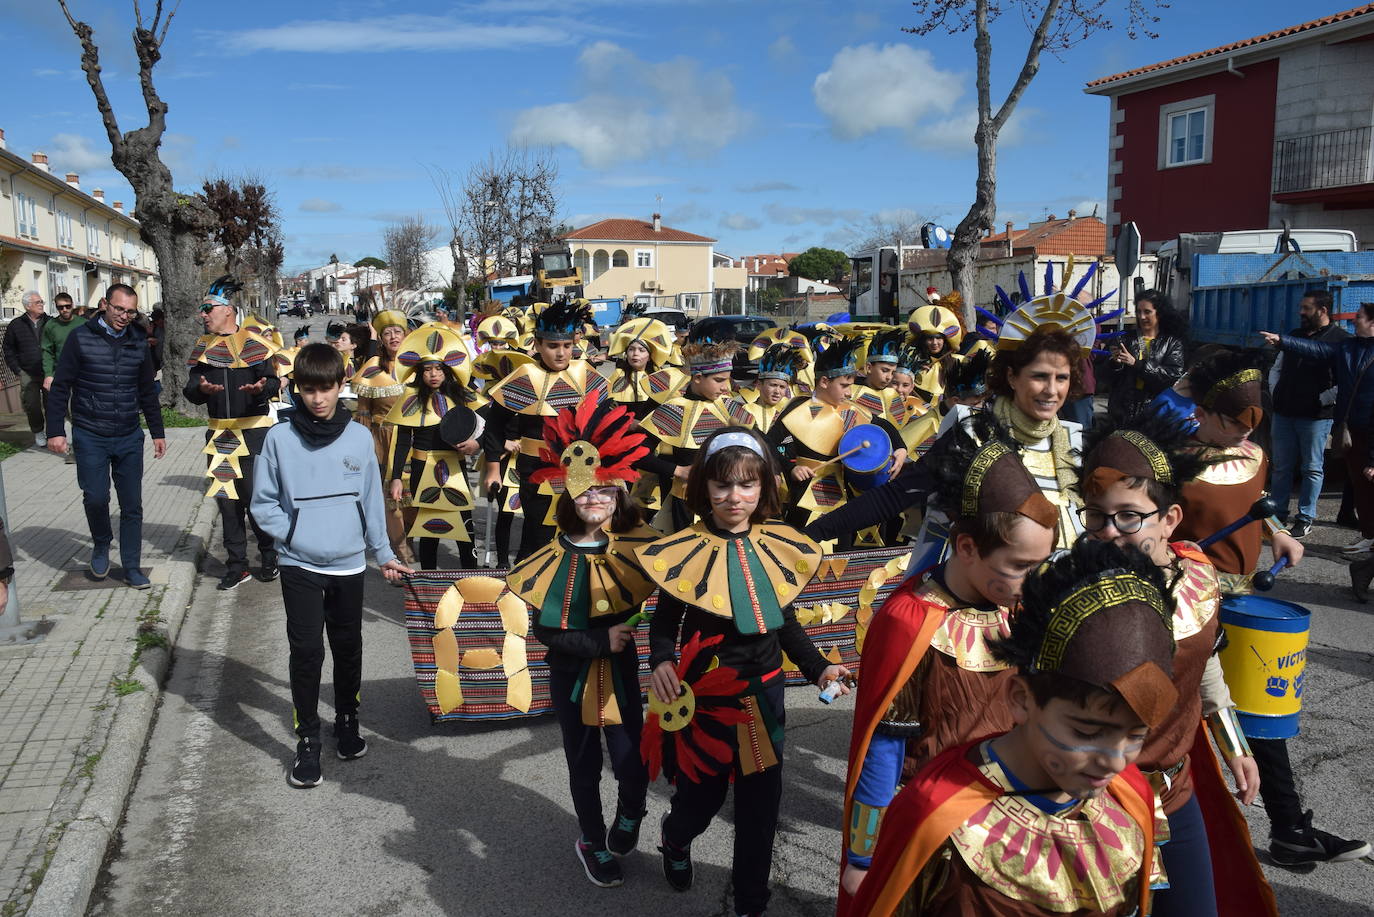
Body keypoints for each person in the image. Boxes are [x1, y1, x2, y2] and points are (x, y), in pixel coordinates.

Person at [850, 537, 1176, 917]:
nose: (1115, 762)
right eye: (1088, 732)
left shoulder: (1132, 799)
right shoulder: (936, 814)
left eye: (1136, 736)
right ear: (1022, 700)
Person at [838, 414, 1058, 912]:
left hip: (1012, 816)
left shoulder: (1017, 606)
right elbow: (884, 745)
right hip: (935, 823)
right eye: (1021, 567)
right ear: (966, 547)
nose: (1032, 579)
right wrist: (863, 853)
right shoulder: (911, 620)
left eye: (1039, 564)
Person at [638, 426, 851, 917]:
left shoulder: (778, 543)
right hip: (705, 699)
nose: (735, 497)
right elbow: (666, 621)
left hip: (762, 697)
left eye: (746, 485)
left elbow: (786, 623)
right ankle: (675, 836)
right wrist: (663, 660)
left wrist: (819, 669)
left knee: (759, 807)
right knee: (702, 799)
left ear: (763, 488)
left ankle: (751, 903)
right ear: (705, 489)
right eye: (722, 485)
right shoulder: (683, 548)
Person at [1173, 348, 1369, 867]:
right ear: (1203, 413)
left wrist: (1280, 534)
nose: (1244, 432)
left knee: (1257, 716)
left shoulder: (1255, 455)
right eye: (1233, 422)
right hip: (1186, 606)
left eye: (1252, 422)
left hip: (1241, 603)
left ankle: (1287, 829)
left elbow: (1258, 511)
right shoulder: (1172, 463)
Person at [1079, 409, 1276, 916]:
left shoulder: (1197, 577)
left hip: (1176, 791)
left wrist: (1235, 748)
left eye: (1127, 516)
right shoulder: (1068, 592)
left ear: (1169, 520)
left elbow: (1206, 669)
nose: (1108, 532)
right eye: (1096, 516)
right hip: (1094, 805)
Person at [507, 394, 659, 888]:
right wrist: (599, 640)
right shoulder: (548, 554)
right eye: (584, 492)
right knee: (584, 763)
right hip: (573, 676)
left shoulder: (640, 544)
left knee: (631, 759)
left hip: (620, 677)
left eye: (605, 492)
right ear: (565, 495)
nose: (594, 500)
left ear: (619, 495)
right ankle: (591, 841)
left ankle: (630, 816)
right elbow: (546, 631)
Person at [250, 343, 412, 788]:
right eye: (308, 389)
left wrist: (384, 554)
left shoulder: (359, 436)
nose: (317, 398)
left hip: (347, 565)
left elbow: (371, 502)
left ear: (342, 387)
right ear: (296, 389)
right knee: (306, 652)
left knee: (347, 648)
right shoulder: (278, 439)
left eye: (326, 388)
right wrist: (296, 535)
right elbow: (262, 505)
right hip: (299, 563)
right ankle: (307, 740)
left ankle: (347, 720)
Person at [45, 284, 166, 589]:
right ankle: (101, 543)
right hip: (90, 434)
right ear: (104, 305)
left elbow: (147, 390)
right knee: (96, 497)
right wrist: (56, 431)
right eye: (119, 309)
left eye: (130, 311)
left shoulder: (138, 340)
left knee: (132, 504)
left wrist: (157, 432)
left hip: (128, 434)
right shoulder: (80, 338)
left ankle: (132, 566)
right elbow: (61, 386)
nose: (124, 316)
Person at [483, 299, 608, 560]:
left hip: (579, 468)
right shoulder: (524, 375)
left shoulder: (584, 373)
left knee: (574, 534)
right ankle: (531, 588)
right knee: (538, 534)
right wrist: (493, 468)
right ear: (538, 345)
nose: (561, 353)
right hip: (535, 467)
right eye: (552, 346)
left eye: (567, 345)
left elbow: (604, 420)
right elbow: (494, 423)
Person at [184, 276, 282, 590]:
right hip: (221, 437)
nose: (203, 314)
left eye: (207, 308)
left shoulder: (255, 345)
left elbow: (272, 382)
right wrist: (200, 390)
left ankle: (269, 556)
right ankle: (236, 565)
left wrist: (260, 389)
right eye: (202, 309)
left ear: (228, 310)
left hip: (253, 434)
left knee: (256, 500)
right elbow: (191, 390)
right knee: (228, 503)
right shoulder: (203, 347)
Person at [766, 336, 906, 548]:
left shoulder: (849, 409)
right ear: (824, 382)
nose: (849, 392)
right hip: (806, 497)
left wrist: (901, 449)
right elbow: (767, 444)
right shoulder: (798, 410)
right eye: (844, 386)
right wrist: (790, 468)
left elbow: (885, 426)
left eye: (850, 385)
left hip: (844, 499)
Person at [1261, 302, 1374, 554]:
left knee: (1362, 481)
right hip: (1352, 428)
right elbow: (1317, 349)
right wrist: (1283, 341)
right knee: (1361, 486)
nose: (1354, 320)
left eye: (1359, 317)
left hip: (1369, 430)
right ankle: (1368, 535)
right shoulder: (1349, 347)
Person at [638, 319, 757, 531]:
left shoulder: (730, 407)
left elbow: (759, 447)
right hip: (686, 503)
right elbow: (639, 454)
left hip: (729, 503)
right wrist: (678, 470)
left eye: (728, 380)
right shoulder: (674, 408)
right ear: (699, 377)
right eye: (719, 380)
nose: (726, 387)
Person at [388, 325, 481, 569]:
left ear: (447, 370)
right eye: (427, 369)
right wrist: (396, 477)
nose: (433, 374)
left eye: (438, 368)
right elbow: (402, 441)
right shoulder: (409, 396)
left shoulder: (462, 393)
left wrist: (476, 444)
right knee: (427, 527)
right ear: (419, 372)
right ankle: (428, 579)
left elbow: (492, 420)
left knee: (465, 522)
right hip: (421, 467)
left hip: (456, 465)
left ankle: (471, 577)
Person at [1263, 290, 1349, 538]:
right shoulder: (1295, 334)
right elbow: (1277, 368)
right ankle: (1277, 513)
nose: (1301, 312)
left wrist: (1323, 400)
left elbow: (1342, 378)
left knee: (1312, 468)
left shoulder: (1339, 339)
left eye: (1307, 308)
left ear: (1322, 310)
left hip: (1315, 417)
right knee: (1281, 467)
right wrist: (1275, 392)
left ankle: (1305, 517)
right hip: (1284, 412)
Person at [351, 309, 415, 566]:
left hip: (414, 441)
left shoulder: (418, 366)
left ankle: (410, 538)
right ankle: (400, 550)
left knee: (415, 498)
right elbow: (363, 410)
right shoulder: (372, 368)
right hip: (383, 440)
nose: (393, 337)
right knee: (393, 500)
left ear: (406, 335)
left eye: (397, 331)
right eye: (387, 333)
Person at [1106, 289, 1187, 421]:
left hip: (1155, 411)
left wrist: (1136, 364)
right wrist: (1114, 363)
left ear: (1159, 313)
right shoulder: (1124, 340)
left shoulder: (1172, 343)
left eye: (1147, 312)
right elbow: (1105, 379)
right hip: (1123, 411)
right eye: (1139, 312)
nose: (1142, 317)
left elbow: (1173, 376)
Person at [5, 290, 49, 447]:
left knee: (53, 403)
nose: (41, 304)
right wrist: (18, 370)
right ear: (28, 306)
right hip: (27, 372)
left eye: (41, 301)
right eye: (38, 302)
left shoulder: (50, 322)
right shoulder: (16, 325)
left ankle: (54, 432)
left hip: (48, 371)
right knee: (31, 404)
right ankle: (38, 431)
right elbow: (8, 350)